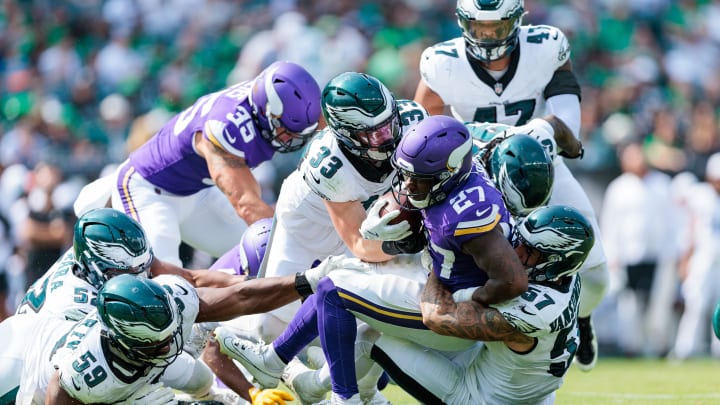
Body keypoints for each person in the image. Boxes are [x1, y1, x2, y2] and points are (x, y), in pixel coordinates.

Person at [215, 115, 532, 404]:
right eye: (405, 174)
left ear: (447, 173)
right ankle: (281, 363)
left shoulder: (467, 212)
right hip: (436, 282)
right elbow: (435, 231)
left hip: (447, 311)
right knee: (349, 290)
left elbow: (513, 280)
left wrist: (472, 301)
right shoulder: (449, 180)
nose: (407, 185)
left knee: (334, 289)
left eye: (417, 178)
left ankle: (343, 398)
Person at [214, 205, 594, 404]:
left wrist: (435, 258)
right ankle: (308, 380)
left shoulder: (533, 308)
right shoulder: (562, 277)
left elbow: (439, 317)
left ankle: (329, 392)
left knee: (357, 315)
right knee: (358, 312)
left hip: (478, 397)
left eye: (529, 251)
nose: (517, 253)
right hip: (527, 388)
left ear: (557, 259)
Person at [413, 0, 607, 370]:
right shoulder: (441, 63)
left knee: (595, 265)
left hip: (537, 166)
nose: (487, 37)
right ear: (463, 24)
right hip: (476, 176)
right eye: (480, 28)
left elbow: (570, 130)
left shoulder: (546, 46)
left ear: (517, 22)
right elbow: (427, 130)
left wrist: (544, 131)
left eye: (498, 28)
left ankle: (582, 316)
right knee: (470, 262)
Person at [226, 72, 429, 343]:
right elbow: (359, 244)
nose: (387, 137)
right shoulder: (330, 164)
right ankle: (219, 330)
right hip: (311, 222)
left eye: (389, 125)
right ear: (346, 134)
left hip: (369, 216)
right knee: (272, 324)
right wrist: (400, 244)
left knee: (370, 317)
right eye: (373, 134)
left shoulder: (414, 120)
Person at [0, 247, 344, 404]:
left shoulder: (168, 301)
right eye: (157, 342)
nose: (170, 344)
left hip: (68, 344)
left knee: (196, 377)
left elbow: (241, 298)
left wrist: (307, 280)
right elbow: (57, 391)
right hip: (28, 375)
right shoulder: (92, 370)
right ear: (127, 344)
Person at [73, 61, 321, 266]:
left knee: (262, 254)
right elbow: (248, 206)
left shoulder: (264, 102)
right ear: (266, 110)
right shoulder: (225, 127)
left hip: (198, 191)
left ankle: (229, 323)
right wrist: (307, 244)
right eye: (286, 130)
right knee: (163, 279)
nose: (291, 139)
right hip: (149, 190)